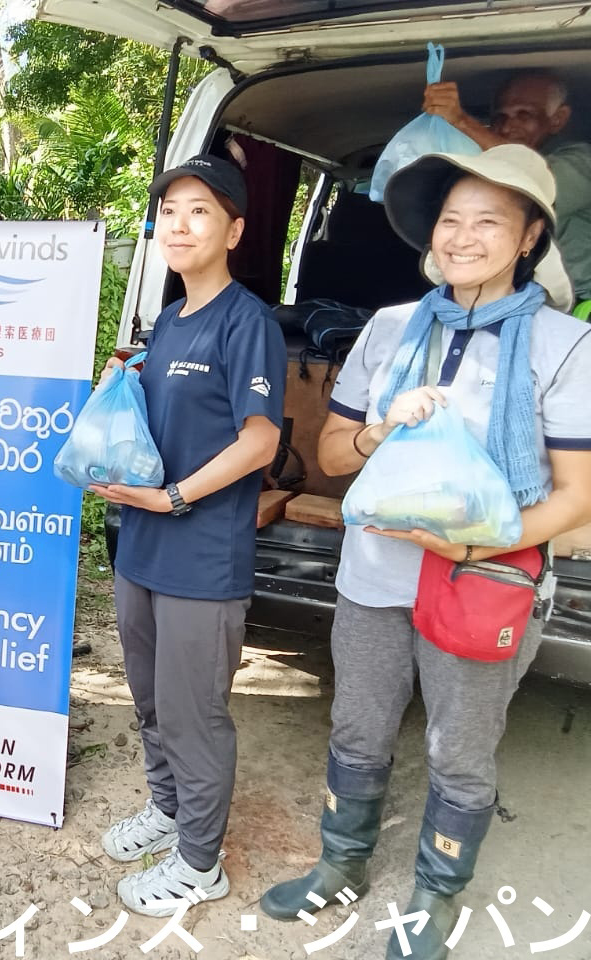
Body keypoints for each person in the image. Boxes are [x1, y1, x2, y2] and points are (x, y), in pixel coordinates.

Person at [259, 144, 591, 960]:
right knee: (358, 728)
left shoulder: (562, 345)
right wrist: (380, 427)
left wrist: (483, 538)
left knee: (460, 750)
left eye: (489, 222)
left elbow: (578, 495)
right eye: (450, 220)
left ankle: (434, 900)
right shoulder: (389, 328)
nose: (464, 237)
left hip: (484, 581)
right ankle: (340, 862)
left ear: (528, 238)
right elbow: (333, 456)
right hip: (375, 576)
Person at [91, 155, 286, 916]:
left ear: (234, 229)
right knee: (148, 699)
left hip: (202, 556)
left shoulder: (248, 322)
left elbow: (259, 443)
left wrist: (171, 497)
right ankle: (169, 811)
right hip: (140, 546)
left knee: (193, 712)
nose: (179, 223)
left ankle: (201, 862)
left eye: (200, 210)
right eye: (169, 209)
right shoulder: (165, 322)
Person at [424, 71, 591, 305]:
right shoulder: (491, 172)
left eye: (524, 115)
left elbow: (534, 178)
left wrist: (461, 120)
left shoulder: (582, 161)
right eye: (500, 118)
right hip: (524, 304)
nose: (508, 126)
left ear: (558, 118)